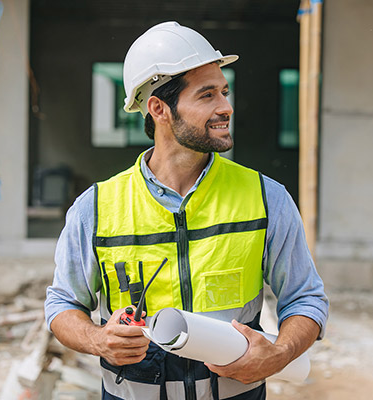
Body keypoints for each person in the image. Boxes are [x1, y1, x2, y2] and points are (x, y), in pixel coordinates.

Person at [45, 21, 328, 400]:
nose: (226, 106)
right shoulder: (95, 208)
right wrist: (98, 339)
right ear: (159, 108)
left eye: (224, 92)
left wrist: (279, 353)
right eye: (207, 95)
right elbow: (63, 303)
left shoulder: (265, 198)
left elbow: (306, 298)